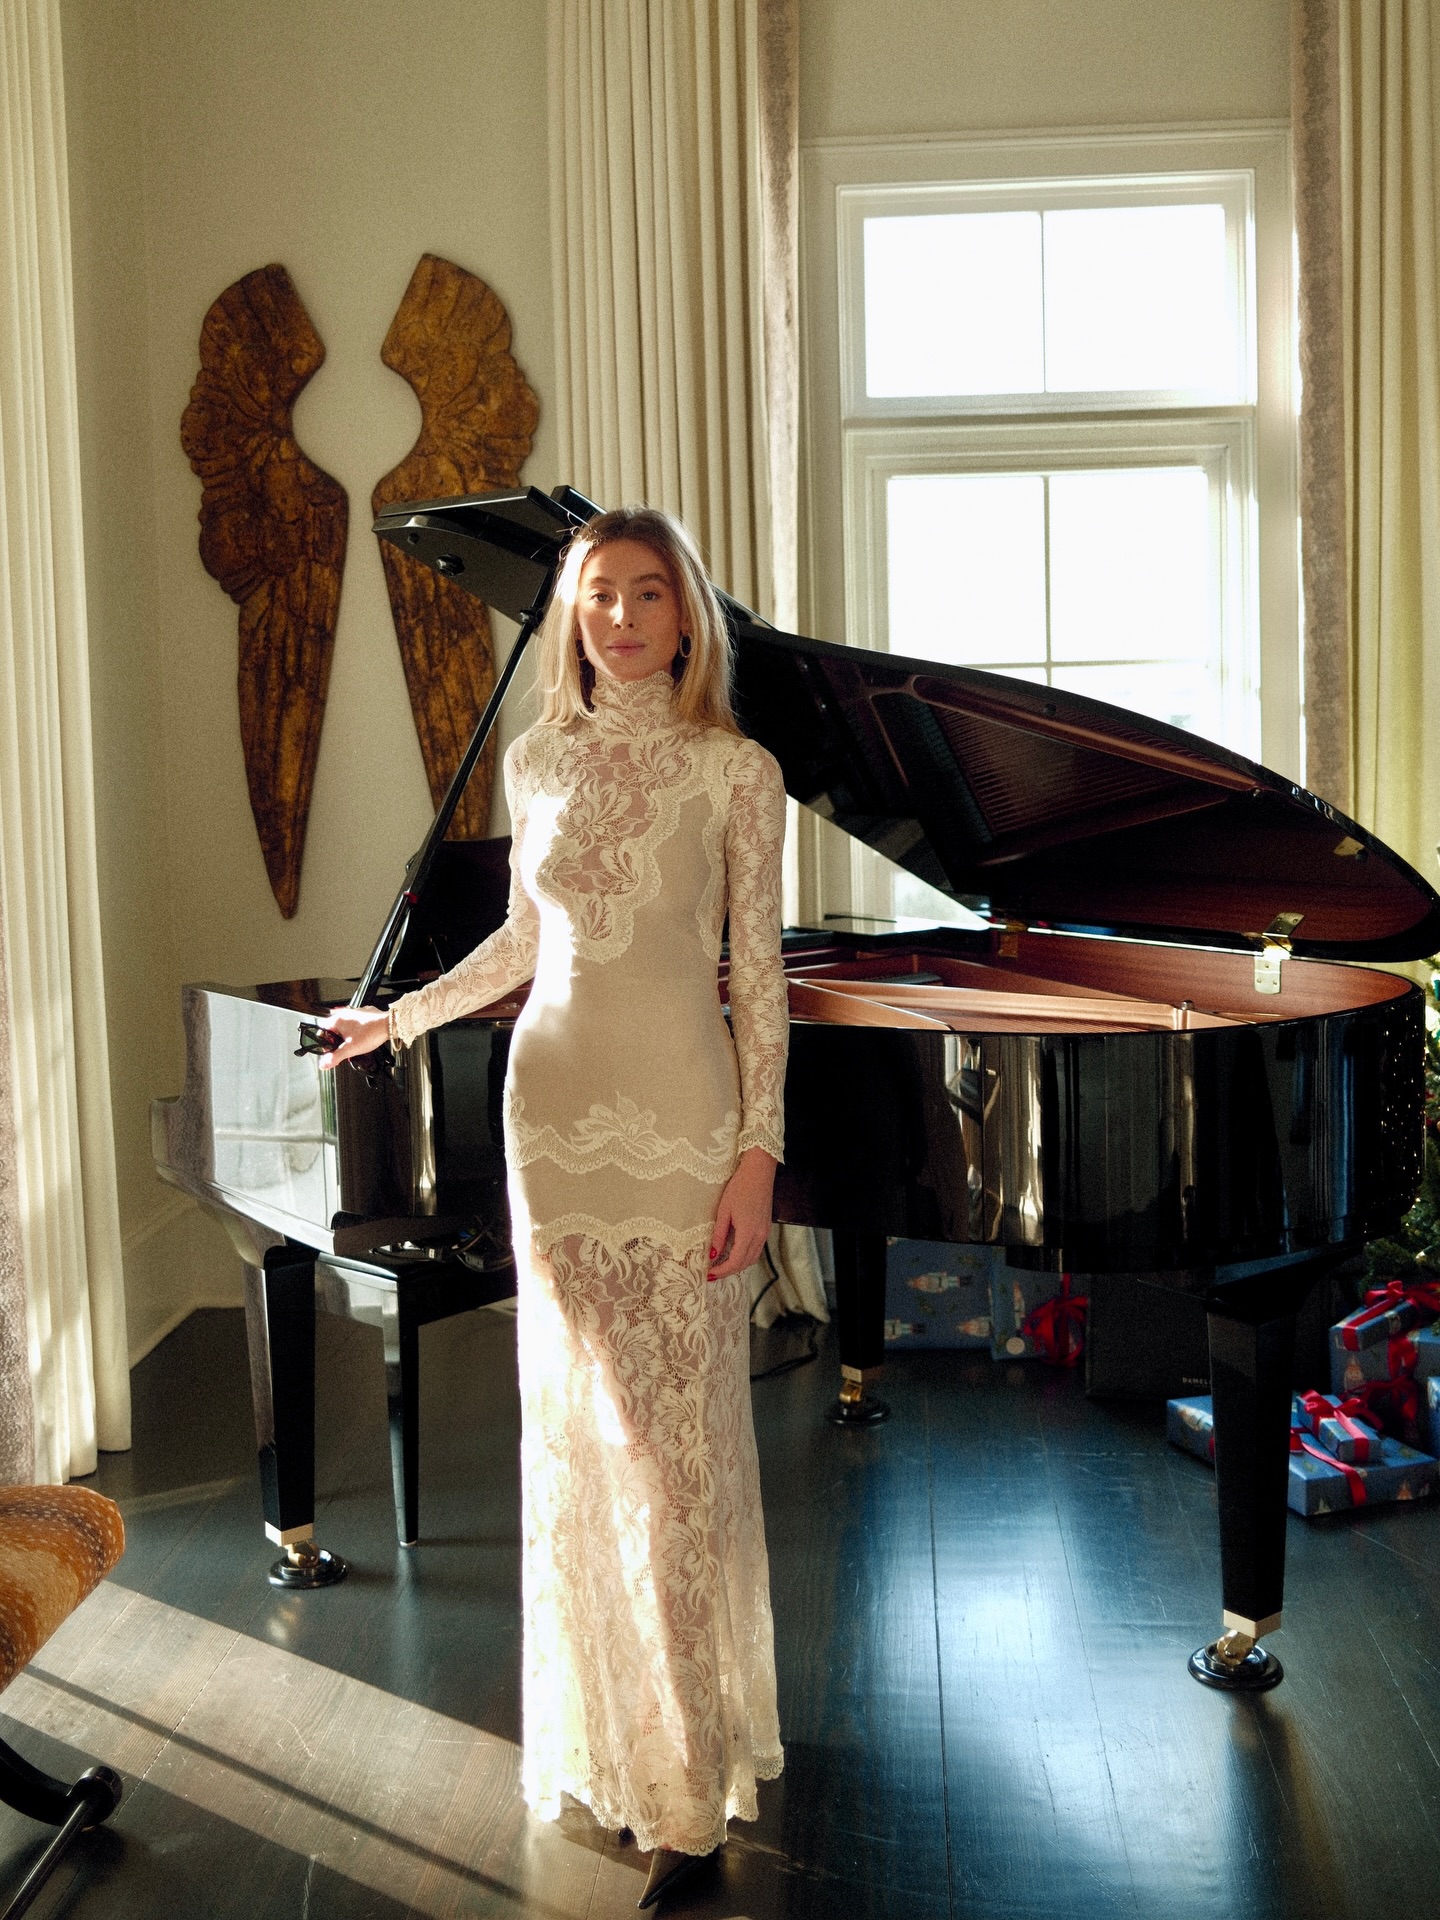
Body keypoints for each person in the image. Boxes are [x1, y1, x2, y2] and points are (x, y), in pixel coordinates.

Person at [320, 506, 788, 1910]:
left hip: (683, 1120)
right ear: (572, 615)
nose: (623, 618)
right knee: (583, 1437)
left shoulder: (738, 769)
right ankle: (605, 1743)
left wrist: (759, 1155)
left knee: (673, 1452)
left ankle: (689, 1784)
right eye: (599, 595)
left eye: (649, 594)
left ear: (688, 616)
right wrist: (398, 1018)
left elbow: (759, 975)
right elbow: (525, 939)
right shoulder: (537, 759)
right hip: (550, 1117)